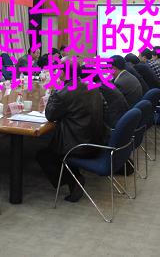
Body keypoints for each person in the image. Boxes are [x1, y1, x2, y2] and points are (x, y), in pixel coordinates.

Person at [36, 73, 107, 203]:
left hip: (78, 146)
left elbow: (50, 115)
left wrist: (55, 91)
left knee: (44, 155)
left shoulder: (64, 93)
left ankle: (73, 180)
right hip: (97, 140)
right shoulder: (92, 85)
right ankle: (72, 175)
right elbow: (104, 106)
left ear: (63, 74)